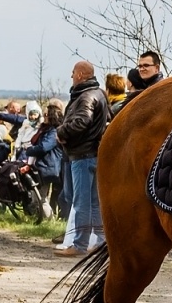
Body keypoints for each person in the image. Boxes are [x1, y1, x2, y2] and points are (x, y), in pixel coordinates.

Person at [56, 61, 109, 256]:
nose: (71, 76)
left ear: (80, 74)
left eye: (72, 73)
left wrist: (62, 131)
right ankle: (102, 242)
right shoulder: (99, 94)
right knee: (95, 202)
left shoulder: (85, 96)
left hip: (82, 154)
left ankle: (78, 244)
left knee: (81, 202)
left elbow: (82, 121)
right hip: (94, 154)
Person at [23, 100, 65, 216]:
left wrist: (29, 150)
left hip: (48, 167)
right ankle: (42, 218)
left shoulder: (53, 132)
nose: (43, 116)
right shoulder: (47, 130)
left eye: (46, 115)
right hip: (45, 166)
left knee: (41, 197)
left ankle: (49, 220)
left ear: (51, 116)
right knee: (41, 196)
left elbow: (44, 147)